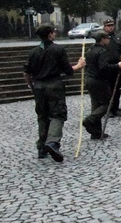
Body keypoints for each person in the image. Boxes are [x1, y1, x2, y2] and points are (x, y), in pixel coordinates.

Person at [23, 24, 86, 162]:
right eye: (53, 32)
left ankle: (41, 147)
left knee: (42, 115)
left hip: (38, 86)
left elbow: (26, 72)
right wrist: (79, 66)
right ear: (50, 34)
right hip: (54, 85)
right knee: (57, 115)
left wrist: (31, 86)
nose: (55, 33)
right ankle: (52, 143)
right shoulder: (58, 50)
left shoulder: (33, 52)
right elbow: (68, 70)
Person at [83, 31, 121, 139]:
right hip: (99, 80)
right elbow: (104, 68)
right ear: (102, 39)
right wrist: (117, 66)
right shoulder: (102, 51)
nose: (109, 40)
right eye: (107, 38)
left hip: (89, 79)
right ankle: (90, 120)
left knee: (96, 105)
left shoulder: (90, 50)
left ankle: (96, 132)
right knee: (107, 104)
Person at [101, 18, 121, 117]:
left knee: (117, 88)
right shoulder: (102, 38)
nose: (111, 27)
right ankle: (108, 109)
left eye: (112, 25)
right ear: (104, 27)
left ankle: (115, 107)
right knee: (108, 89)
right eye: (108, 26)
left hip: (117, 64)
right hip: (107, 65)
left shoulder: (117, 37)